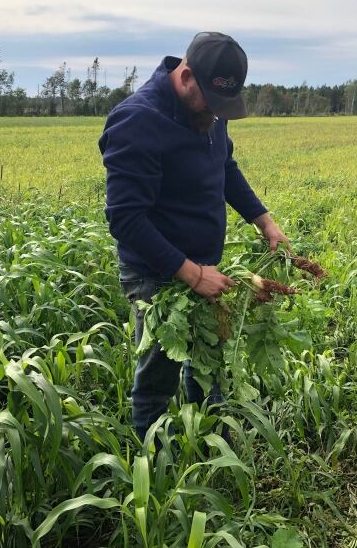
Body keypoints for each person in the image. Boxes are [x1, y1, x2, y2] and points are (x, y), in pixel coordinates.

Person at [98, 32, 289, 441]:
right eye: (212, 102)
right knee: (158, 372)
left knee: (206, 359)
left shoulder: (208, 117)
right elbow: (126, 219)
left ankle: (206, 443)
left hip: (205, 266)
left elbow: (226, 168)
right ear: (185, 77)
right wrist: (191, 273)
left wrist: (264, 220)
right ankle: (153, 462)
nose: (217, 114)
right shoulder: (137, 120)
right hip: (156, 271)